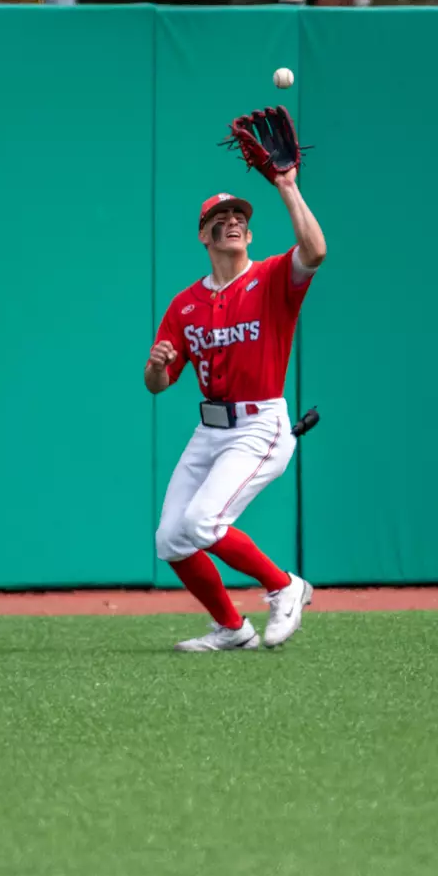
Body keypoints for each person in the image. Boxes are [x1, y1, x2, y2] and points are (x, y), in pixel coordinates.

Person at [144, 162, 326, 651]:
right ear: (203, 235)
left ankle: (286, 587)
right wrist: (158, 366)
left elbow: (315, 251)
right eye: (220, 217)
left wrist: (287, 186)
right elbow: (157, 384)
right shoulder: (185, 305)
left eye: (239, 215)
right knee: (171, 540)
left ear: (248, 230)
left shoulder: (269, 278)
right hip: (211, 432)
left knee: (203, 523)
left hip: (259, 424)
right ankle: (232, 628)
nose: (232, 221)